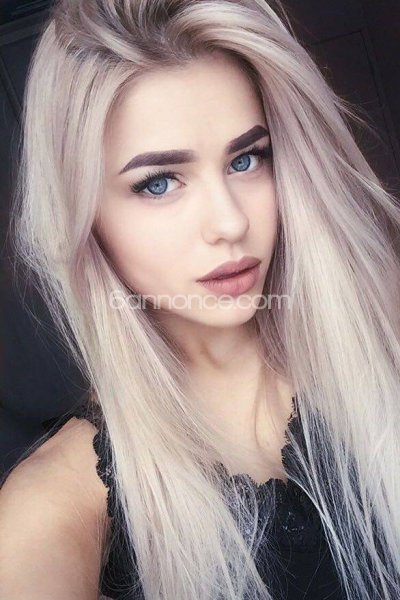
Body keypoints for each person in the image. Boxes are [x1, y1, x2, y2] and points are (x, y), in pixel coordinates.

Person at [1, 0, 400, 598]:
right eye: (158, 183)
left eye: (246, 159)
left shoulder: (385, 340)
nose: (230, 222)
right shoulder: (55, 505)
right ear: (82, 219)